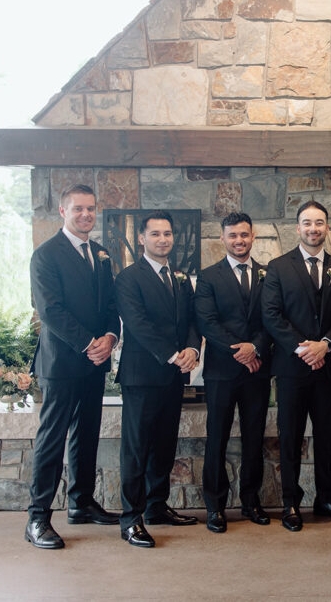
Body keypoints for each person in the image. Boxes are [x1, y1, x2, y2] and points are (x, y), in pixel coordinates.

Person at [26, 184, 120, 549]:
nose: (86, 215)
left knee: (87, 434)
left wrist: (111, 337)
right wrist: (87, 344)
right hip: (62, 363)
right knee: (52, 438)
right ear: (63, 212)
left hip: (95, 362)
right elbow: (50, 310)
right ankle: (37, 518)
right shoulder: (46, 255)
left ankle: (81, 503)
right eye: (78, 209)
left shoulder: (100, 253)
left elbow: (111, 303)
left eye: (91, 209)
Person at [261, 201, 331, 531]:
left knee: (327, 435)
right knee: (291, 437)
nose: (313, 228)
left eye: (319, 222)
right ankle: (290, 502)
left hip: (327, 367)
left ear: (327, 227)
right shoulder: (277, 267)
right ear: (297, 228)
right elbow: (271, 315)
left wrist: (325, 345)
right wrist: (304, 348)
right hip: (292, 368)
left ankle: (326, 499)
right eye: (307, 223)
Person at [114, 211, 200, 548]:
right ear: (141, 239)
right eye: (155, 234)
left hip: (174, 376)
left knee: (164, 445)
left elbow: (192, 319)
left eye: (167, 234)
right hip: (142, 375)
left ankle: (156, 506)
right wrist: (173, 354)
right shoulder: (128, 278)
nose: (162, 239)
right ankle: (130, 519)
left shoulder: (179, 277)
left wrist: (193, 348)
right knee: (137, 450)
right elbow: (137, 324)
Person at [194, 212, 274, 534]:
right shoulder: (208, 276)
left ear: (252, 236)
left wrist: (255, 348)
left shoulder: (269, 275)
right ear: (223, 239)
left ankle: (251, 501)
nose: (239, 240)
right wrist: (241, 351)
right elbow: (207, 323)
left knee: (255, 438)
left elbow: (272, 318)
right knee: (217, 439)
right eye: (232, 235)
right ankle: (215, 506)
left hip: (257, 371)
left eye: (244, 234)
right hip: (221, 372)